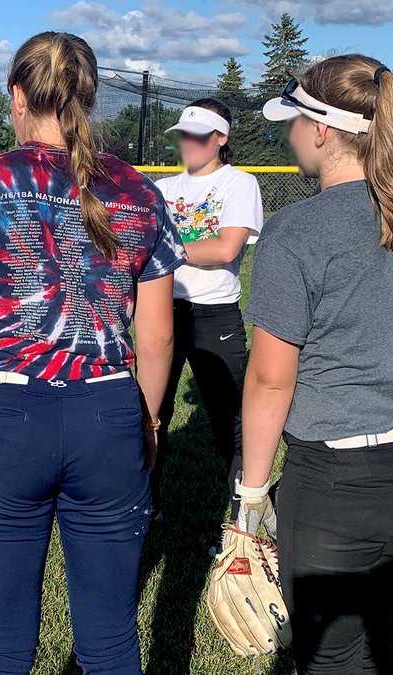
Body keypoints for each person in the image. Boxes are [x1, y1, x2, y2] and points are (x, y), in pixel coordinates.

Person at [0, 31, 185, 675]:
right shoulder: (142, 193)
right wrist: (146, 420)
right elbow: (158, 337)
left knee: (1, 643)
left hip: (6, 421)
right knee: (112, 641)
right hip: (109, 412)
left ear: (16, 95)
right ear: (87, 96)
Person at [238, 55, 393, 674]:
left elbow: (271, 377)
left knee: (331, 659)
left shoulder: (295, 230)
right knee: (371, 647)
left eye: (294, 123)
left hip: (345, 482)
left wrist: (250, 498)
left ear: (322, 131)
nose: (289, 137)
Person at [153, 97, 264, 518]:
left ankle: (243, 516)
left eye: (200, 137)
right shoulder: (163, 189)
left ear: (221, 138)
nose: (190, 144)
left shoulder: (239, 183)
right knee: (152, 412)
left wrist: (164, 248)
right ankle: (148, 504)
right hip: (162, 311)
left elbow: (225, 247)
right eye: (184, 136)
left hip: (214, 313)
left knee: (233, 421)